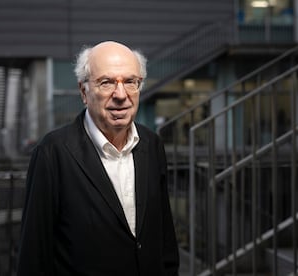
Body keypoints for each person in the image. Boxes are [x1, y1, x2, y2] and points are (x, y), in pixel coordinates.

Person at [16, 41, 179, 276]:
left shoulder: (152, 144)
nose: (121, 95)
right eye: (106, 83)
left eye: (131, 82)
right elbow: (34, 256)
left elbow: (165, 238)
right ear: (84, 92)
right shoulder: (53, 153)